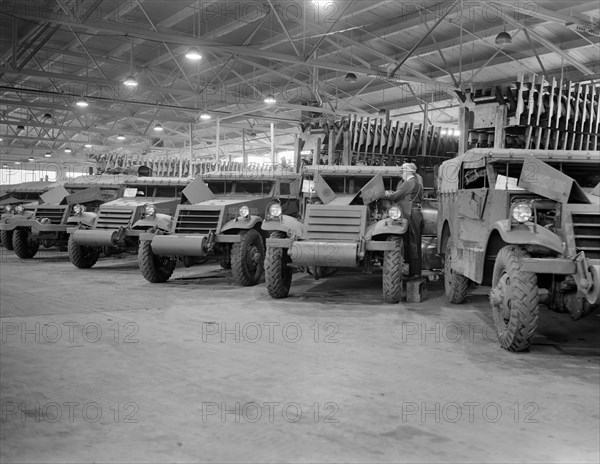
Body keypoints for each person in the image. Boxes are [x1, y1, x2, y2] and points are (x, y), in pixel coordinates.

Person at [384, 162, 423, 278]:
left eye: (403, 171)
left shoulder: (409, 183)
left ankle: (414, 272)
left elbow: (395, 196)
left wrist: (387, 194)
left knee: (413, 242)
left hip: (411, 214)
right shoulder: (416, 183)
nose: (401, 173)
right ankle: (414, 271)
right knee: (414, 241)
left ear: (408, 172)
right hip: (414, 213)